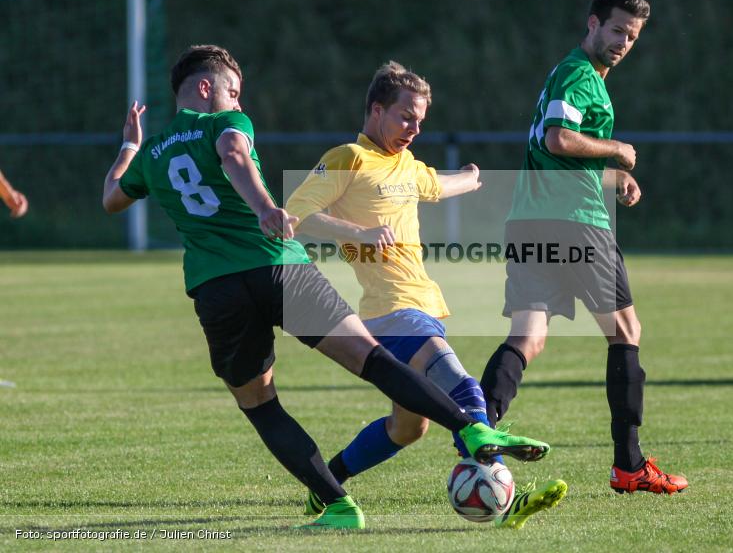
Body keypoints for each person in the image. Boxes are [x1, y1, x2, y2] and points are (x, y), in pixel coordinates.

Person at [101, 45, 550, 530]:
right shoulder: (225, 124)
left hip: (216, 288)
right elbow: (233, 156)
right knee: (372, 359)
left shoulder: (153, 151)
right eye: (234, 92)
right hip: (279, 265)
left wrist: (130, 146)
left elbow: (111, 199)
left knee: (260, 404)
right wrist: (263, 209)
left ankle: (337, 503)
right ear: (206, 88)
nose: (239, 103)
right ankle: (472, 430)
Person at [285, 61, 566, 529]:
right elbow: (295, 215)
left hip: (424, 307)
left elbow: (437, 184)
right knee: (461, 386)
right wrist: (359, 231)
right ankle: (501, 493)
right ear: (377, 110)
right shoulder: (348, 158)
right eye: (405, 117)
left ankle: (325, 486)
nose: (414, 129)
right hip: (390, 311)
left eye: (420, 121)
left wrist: (472, 177)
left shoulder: (407, 166)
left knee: (408, 428)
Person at [478, 0, 688, 495]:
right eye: (616, 30)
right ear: (592, 25)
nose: (622, 42)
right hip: (574, 222)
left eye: (632, 36)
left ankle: (477, 432)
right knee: (625, 329)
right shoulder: (579, 75)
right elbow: (558, 139)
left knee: (529, 336)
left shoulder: (567, 75)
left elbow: (559, 158)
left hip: (530, 219)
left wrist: (617, 179)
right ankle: (629, 465)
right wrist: (618, 149)